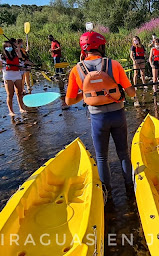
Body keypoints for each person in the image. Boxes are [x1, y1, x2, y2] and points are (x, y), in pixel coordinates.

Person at [65, 31, 137, 201]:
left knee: (102, 157)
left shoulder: (76, 70)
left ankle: (107, 194)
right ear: (101, 46)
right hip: (118, 115)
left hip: (98, 119)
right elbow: (132, 93)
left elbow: (69, 101)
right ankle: (131, 188)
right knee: (123, 154)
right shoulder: (115, 64)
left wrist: (86, 95)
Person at [0, 40, 29, 116]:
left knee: (19, 93)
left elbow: (21, 63)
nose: (8, 48)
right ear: (4, 48)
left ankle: (21, 108)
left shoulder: (16, 54)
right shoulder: (1, 56)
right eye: (6, 46)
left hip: (17, 75)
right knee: (10, 94)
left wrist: (25, 68)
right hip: (8, 77)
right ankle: (11, 111)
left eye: (10, 46)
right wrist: (1, 65)